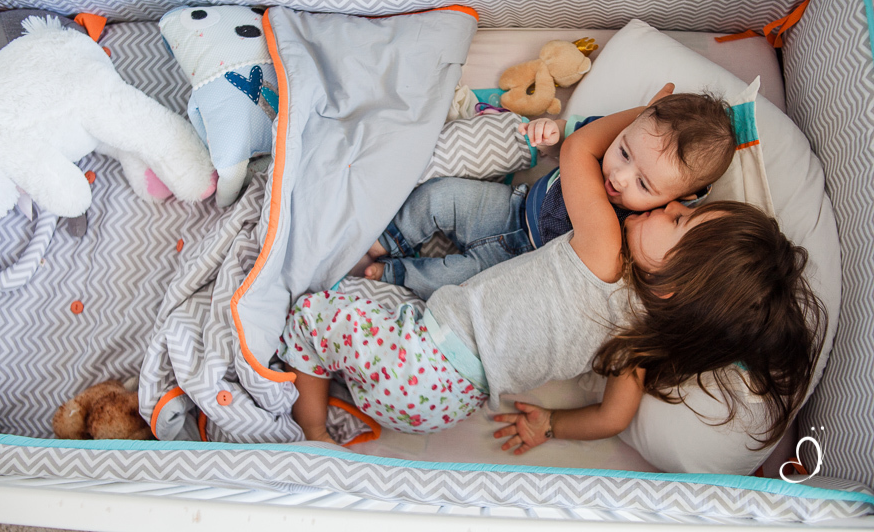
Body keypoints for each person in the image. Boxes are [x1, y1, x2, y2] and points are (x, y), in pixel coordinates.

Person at [279, 194, 823, 446]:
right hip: (440, 405)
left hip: (419, 357)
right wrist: (552, 426)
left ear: (678, 284)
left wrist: (640, 120)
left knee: (311, 309)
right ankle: (336, 384)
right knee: (358, 309)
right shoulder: (638, 348)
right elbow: (612, 420)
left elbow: (582, 152)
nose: (668, 202)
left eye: (678, 215)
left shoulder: (604, 251)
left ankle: (313, 428)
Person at [358, 86, 736, 300]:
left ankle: (393, 274)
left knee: (449, 284)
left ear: (675, 202)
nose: (620, 177)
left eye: (643, 185)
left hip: (518, 267)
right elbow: (577, 133)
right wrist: (553, 132)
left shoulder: (638, 228)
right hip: (513, 208)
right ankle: (392, 236)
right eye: (623, 151)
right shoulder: (616, 143)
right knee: (440, 196)